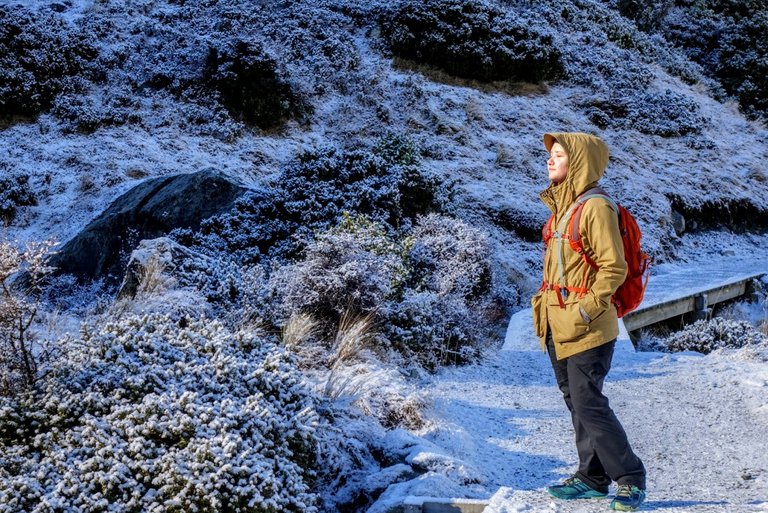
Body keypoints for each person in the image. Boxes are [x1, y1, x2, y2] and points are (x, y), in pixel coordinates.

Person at [530, 132, 646, 511]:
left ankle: (630, 477)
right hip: (556, 320)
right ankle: (592, 476)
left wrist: (587, 310)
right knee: (575, 401)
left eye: (559, 154)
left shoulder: (595, 207)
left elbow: (614, 267)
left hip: (586, 323)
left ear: (578, 162)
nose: (550, 160)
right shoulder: (564, 206)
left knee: (588, 401)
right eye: (550, 154)